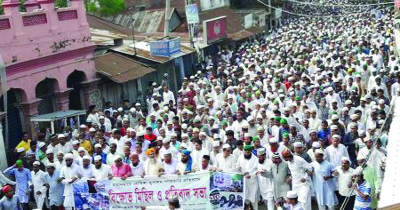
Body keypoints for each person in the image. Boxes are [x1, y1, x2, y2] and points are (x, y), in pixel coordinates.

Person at [237, 145, 258, 210]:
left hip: (252, 182)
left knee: (253, 199)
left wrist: (250, 174)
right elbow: (237, 165)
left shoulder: (255, 159)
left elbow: (257, 170)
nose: (246, 153)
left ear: (251, 152)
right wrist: (239, 169)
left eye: (248, 152)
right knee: (244, 198)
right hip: (243, 181)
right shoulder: (240, 157)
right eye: (245, 152)